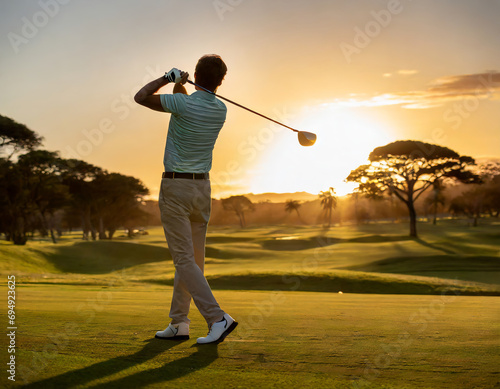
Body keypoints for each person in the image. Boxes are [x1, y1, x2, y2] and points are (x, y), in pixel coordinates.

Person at [134, 54, 237, 344]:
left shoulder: (183, 103)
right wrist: (182, 84)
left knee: (183, 259)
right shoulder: (221, 109)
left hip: (176, 188)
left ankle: (217, 318)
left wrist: (169, 78)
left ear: (196, 75)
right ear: (221, 80)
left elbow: (141, 97)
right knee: (192, 261)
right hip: (202, 190)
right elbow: (185, 104)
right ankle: (179, 322)